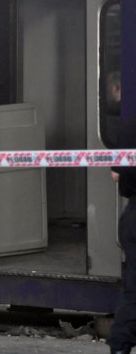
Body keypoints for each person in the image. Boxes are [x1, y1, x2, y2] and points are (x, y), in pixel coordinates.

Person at [108, 115, 136, 354]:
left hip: (133, 215)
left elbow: (115, 174)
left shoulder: (129, 126)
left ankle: (119, 346)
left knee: (133, 290)